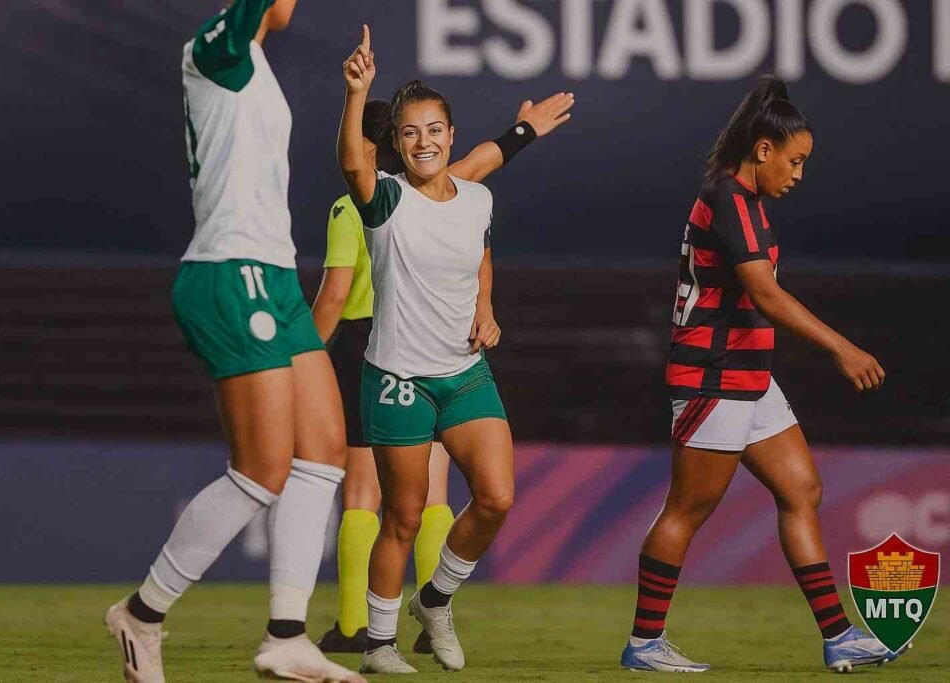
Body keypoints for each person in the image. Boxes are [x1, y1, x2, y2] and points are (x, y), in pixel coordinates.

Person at [104, 2, 364, 681]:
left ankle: (286, 635)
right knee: (261, 469)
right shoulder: (215, 47)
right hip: (228, 270)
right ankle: (143, 612)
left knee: (325, 452)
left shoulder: (260, 65)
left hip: (274, 273)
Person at [619, 75, 897, 674]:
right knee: (687, 510)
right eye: (794, 161)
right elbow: (767, 296)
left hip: (748, 376)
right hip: (711, 377)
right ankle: (644, 643)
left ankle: (839, 635)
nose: (798, 174)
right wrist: (842, 348)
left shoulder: (749, 203)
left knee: (802, 490)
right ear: (763, 150)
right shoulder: (727, 197)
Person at [338, 26, 572, 675]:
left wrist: (486, 306)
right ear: (396, 143)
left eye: (435, 129)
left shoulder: (475, 197)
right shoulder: (385, 201)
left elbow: (481, 251)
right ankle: (378, 645)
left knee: (497, 496)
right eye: (410, 132)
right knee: (404, 518)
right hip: (398, 380)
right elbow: (354, 162)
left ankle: (434, 599)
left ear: (449, 132)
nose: (424, 141)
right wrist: (356, 93)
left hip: (464, 373)